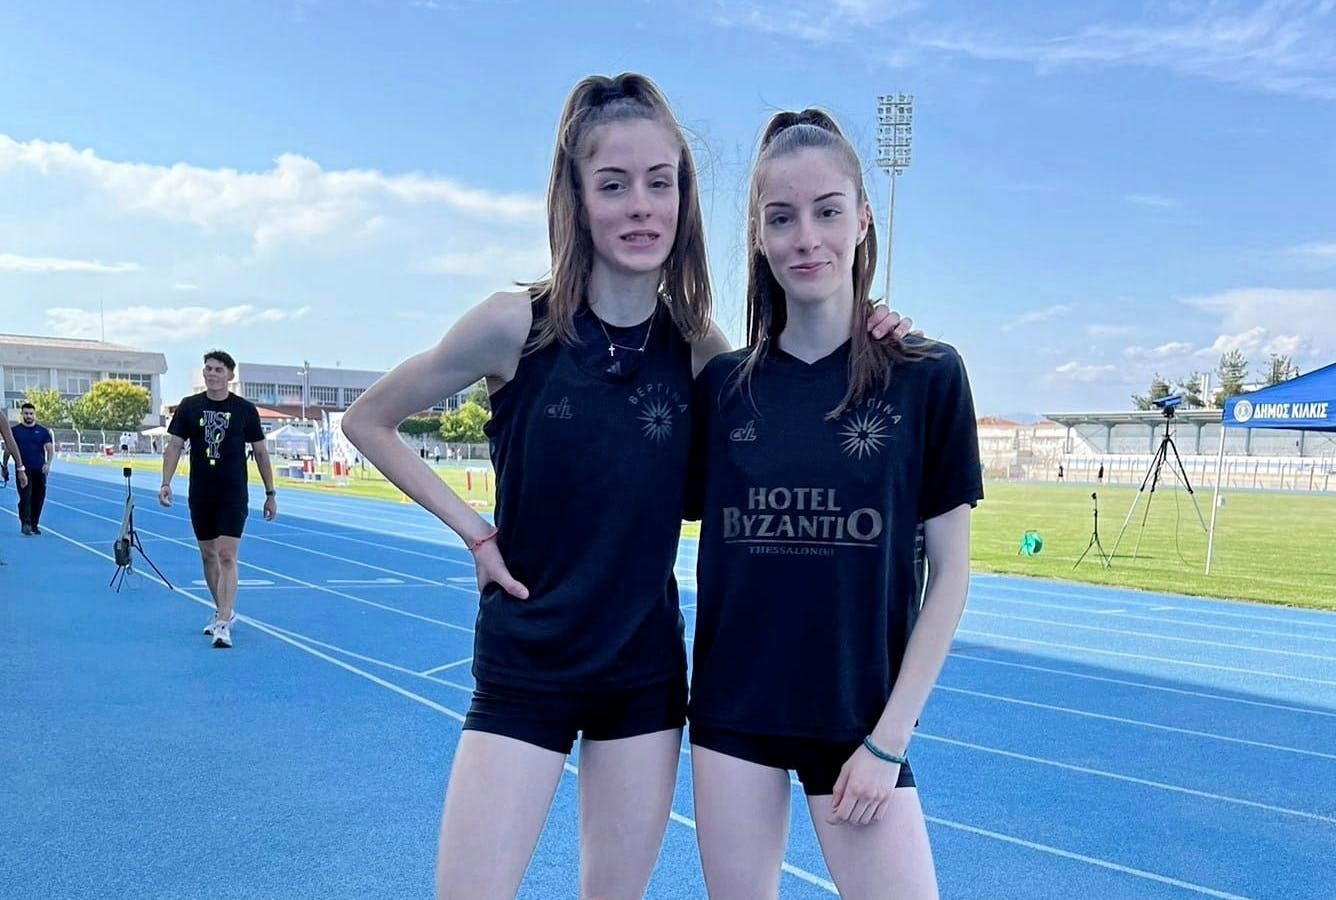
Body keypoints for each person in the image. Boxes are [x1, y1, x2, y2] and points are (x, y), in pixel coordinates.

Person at [343, 75, 912, 900]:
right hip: (527, 664)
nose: (641, 207)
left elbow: (805, 412)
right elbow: (368, 421)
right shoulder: (513, 325)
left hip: (641, 678)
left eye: (660, 182)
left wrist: (873, 327)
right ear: (576, 199)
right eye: (613, 185)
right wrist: (475, 531)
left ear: (684, 195)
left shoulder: (700, 350)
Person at [685, 109, 982, 899]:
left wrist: (889, 742)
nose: (806, 238)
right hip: (734, 718)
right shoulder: (724, 388)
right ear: (757, 234)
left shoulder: (927, 376)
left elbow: (951, 575)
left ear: (863, 217)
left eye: (827, 211)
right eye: (781, 217)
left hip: (860, 724)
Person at [160, 350, 278, 649]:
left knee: (227, 555)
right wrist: (166, 483)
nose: (212, 374)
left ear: (230, 375)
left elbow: (261, 452)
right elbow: (174, 446)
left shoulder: (244, 410)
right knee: (208, 555)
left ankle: (223, 622)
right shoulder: (189, 407)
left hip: (232, 492)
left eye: (218, 370)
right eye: (208, 369)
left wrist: (270, 493)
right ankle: (222, 609)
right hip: (201, 492)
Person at [2, 402, 52, 535]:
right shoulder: (15, 431)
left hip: (39, 470)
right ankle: (26, 523)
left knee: (38, 498)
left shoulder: (43, 431)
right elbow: (8, 450)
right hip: (23, 471)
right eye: (26, 413)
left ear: (34, 415)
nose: (28, 416)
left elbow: (49, 449)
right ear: (22, 414)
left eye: (31, 413)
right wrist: (4, 466)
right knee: (25, 497)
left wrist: (48, 463)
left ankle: (34, 524)